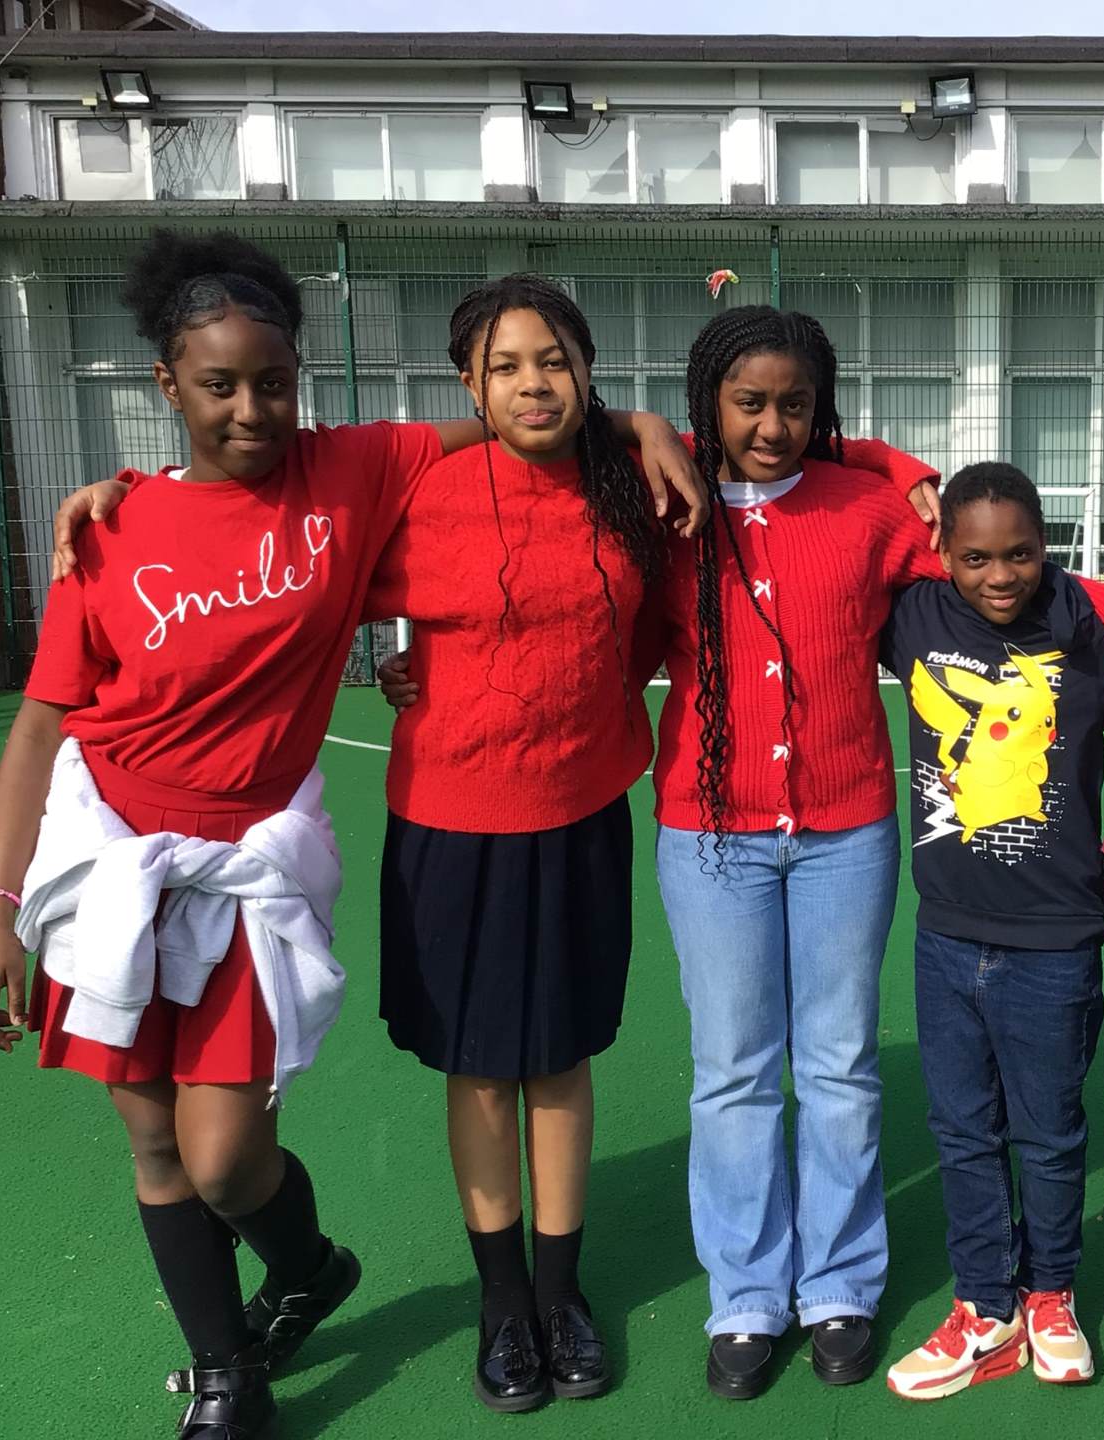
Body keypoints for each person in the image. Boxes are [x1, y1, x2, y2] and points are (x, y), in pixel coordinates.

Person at [0, 231, 702, 1440]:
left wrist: (642, 424)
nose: (251, 405)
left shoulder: (382, 472)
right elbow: (58, 710)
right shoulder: (139, 527)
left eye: (272, 380)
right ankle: (259, 1363)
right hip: (161, 849)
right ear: (169, 384)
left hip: (325, 850)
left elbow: (554, 437)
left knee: (263, 1144)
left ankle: (470, 1284)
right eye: (219, 383)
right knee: (177, 1133)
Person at [650, 306, 1104, 1401]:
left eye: (797, 404)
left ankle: (839, 1284)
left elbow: (1009, 568)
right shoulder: (670, 500)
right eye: (749, 403)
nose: (774, 426)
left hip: (845, 831)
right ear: (709, 405)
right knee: (734, 1068)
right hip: (712, 829)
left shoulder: (868, 506)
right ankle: (747, 1295)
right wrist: (647, 430)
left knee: (839, 1063)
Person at [358, 275, 717, 1412]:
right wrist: (129, 492)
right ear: (469, 386)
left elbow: (798, 448)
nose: (533, 384)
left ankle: (561, 1295)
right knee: (480, 1067)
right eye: (505, 366)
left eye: (554, 360)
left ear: (588, 370)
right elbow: (280, 514)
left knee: (559, 1060)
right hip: (448, 820)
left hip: (579, 812)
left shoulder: (634, 484)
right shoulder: (423, 489)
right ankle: (502, 1300)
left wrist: (648, 425)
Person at [876, 463, 1104, 1401]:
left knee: (1049, 1133)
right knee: (962, 1131)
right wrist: (901, 474)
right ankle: (984, 1305)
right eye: (977, 558)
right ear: (944, 554)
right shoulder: (913, 617)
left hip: (1057, 938)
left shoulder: (1081, 623)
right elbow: (849, 513)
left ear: (1048, 549)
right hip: (946, 936)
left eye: (1022, 554)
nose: (1001, 575)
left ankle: (1050, 1296)